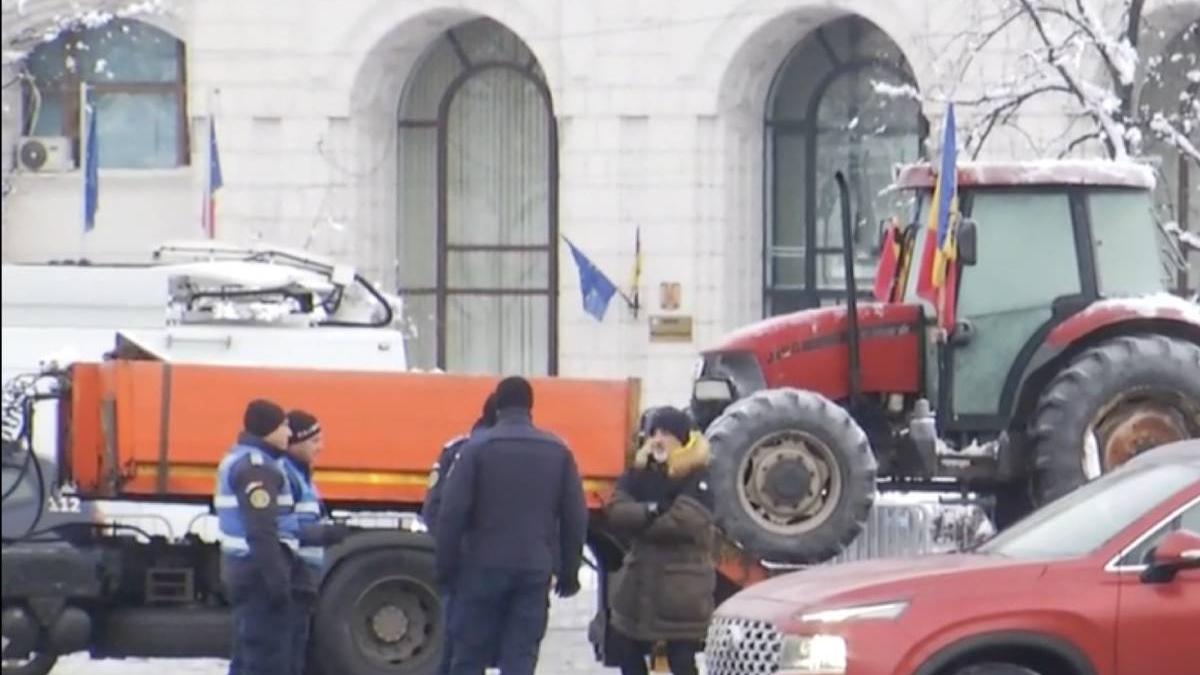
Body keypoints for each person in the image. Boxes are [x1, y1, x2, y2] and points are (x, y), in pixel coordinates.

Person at [435, 376, 588, 675]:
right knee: (520, 656)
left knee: (469, 655)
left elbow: (451, 513)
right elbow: (574, 516)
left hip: (480, 567)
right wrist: (569, 571)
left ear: (498, 406)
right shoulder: (557, 451)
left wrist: (445, 568)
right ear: (531, 406)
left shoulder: (476, 449)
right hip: (533, 568)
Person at [603, 406, 716, 675]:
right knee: (622, 646)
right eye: (653, 432)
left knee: (682, 661)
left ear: (683, 440)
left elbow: (685, 521)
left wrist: (639, 522)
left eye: (666, 433)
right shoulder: (639, 474)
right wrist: (652, 511)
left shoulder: (699, 476)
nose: (657, 439)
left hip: (682, 589)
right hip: (640, 584)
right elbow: (616, 510)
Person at [215, 399, 297, 675]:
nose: (289, 433)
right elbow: (261, 530)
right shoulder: (257, 467)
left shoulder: (239, 458)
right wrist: (278, 582)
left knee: (247, 653)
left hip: (244, 568)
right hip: (258, 572)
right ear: (268, 429)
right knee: (264, 659)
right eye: (284, 426)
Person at [421, 393, 498, 675]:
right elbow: (437, 508)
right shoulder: (461, 449)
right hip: (479, 564)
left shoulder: (460, 448)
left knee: (460, 643)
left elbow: (434, 508)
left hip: (467, 562)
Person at [280, 410, 351, 675]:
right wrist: (323, 534)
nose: (320, 448)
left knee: (298, 650)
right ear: (295, 441)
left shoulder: (301, 475)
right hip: (293, 575)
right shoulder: (287, 475)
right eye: (314, 441)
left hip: (304, 577)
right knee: (288, 654)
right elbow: (280, 525)